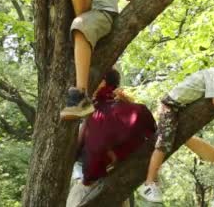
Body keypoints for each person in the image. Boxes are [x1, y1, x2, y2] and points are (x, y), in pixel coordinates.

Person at [138, 51, 214, 203]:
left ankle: (153, 179)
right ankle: (149, 183)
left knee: (169, 142)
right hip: (170, 106)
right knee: (164, 143)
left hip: (177, 107)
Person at [66, 68, 156, 207]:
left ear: (103, 83)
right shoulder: (125, 110)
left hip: (92, 188)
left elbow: (84, 153)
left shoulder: (102, 114)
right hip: (114, 187)